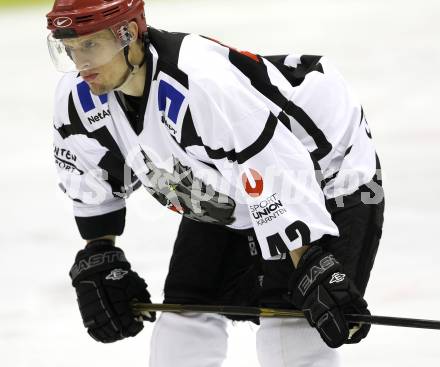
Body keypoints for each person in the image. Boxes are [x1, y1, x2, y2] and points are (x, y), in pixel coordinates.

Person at [46, 0, 385, 366]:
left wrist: (311, 266)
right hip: (227, 181)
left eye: (91, 45)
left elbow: (273, 165)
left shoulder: (201, 82)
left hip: (323, 173)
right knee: (184, 316)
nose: (80, 63)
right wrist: (99, 251)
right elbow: (90, 173)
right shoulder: (78, 97)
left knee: (292, 324)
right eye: (69, 48)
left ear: (129, 35)